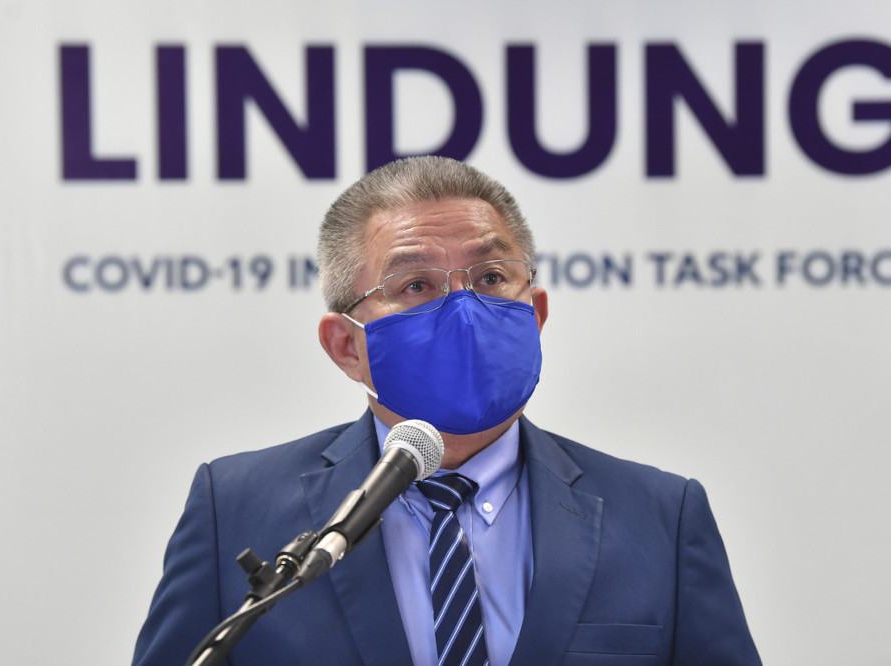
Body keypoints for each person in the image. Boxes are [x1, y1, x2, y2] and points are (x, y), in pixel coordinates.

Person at [132, 156, 761, 665]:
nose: (465, 311)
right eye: (416, 285)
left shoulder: (661, 517)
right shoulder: (234, 509)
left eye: (490, 277)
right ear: (347, 345)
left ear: (535, 314)